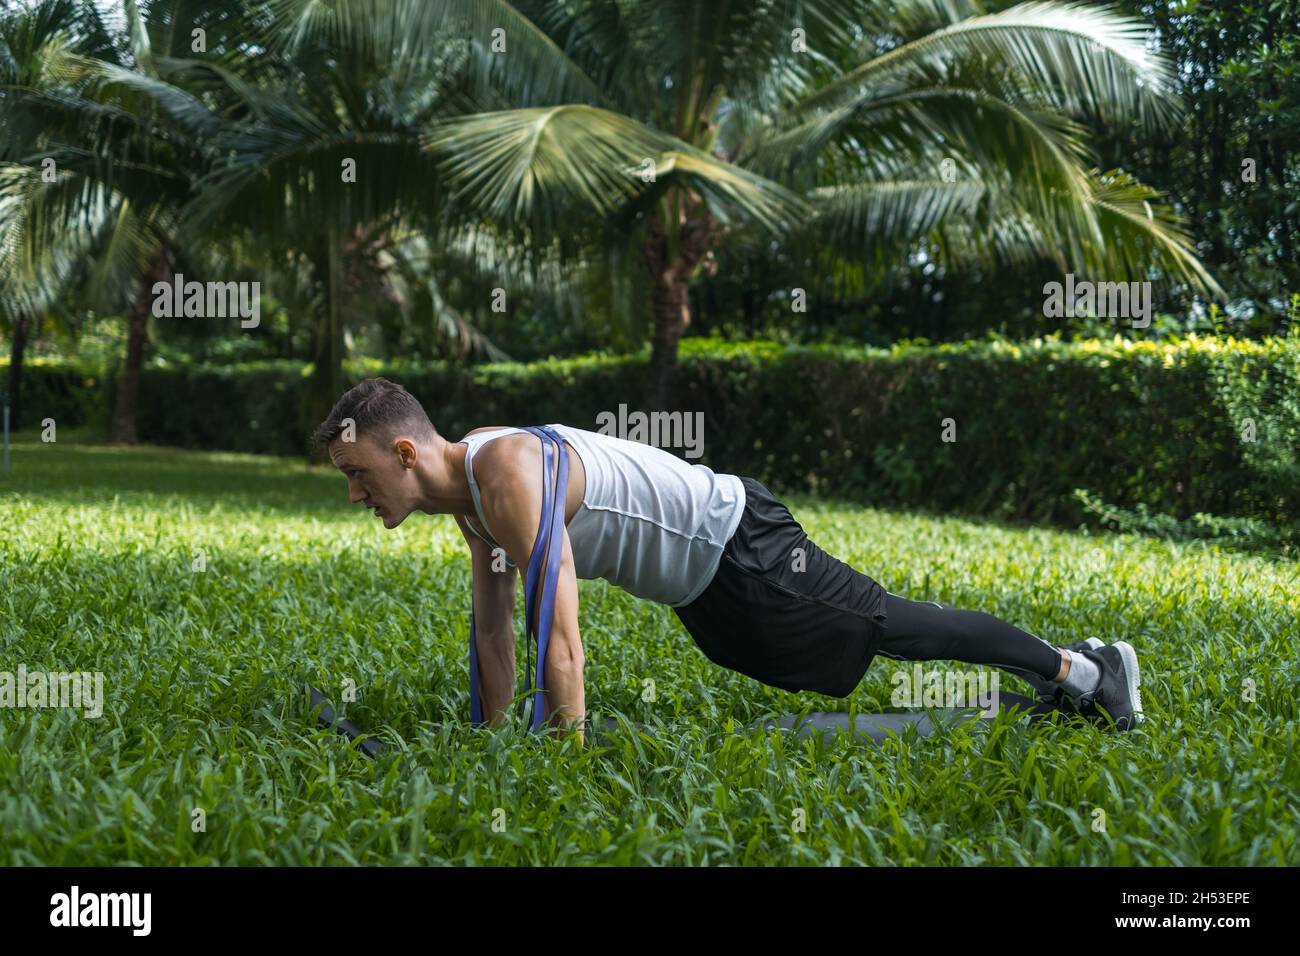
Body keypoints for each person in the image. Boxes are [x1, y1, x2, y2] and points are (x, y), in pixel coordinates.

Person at [313, 377, 1143, 742]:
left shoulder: (506, 472)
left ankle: (1087, 672)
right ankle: (1014, 700)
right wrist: (492, 742)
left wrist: (561, 752)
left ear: (405, 451)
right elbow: (494, 638)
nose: (357, 495)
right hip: (707, 597)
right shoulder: (478, 515)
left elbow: (557, 634)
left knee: (890, 624)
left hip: (740, 543)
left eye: (358, 475)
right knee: (819, 670)